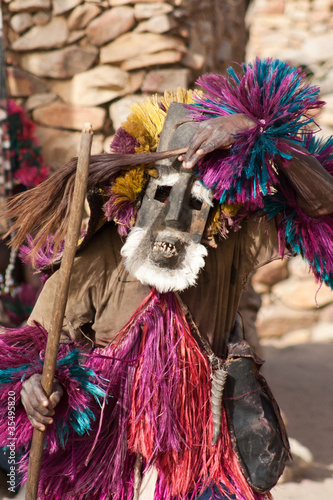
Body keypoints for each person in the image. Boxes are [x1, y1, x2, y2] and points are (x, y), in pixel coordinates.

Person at [1, 58, 333, 500]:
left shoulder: (227, 243)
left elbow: (322, 206)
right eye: (162, 195)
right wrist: (27, 392)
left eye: (195, 200)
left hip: (205, 451)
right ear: (135, 194)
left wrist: (253, 128)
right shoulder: (95, 255)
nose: (176, 216)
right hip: (105, 454)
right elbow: (29, 351)